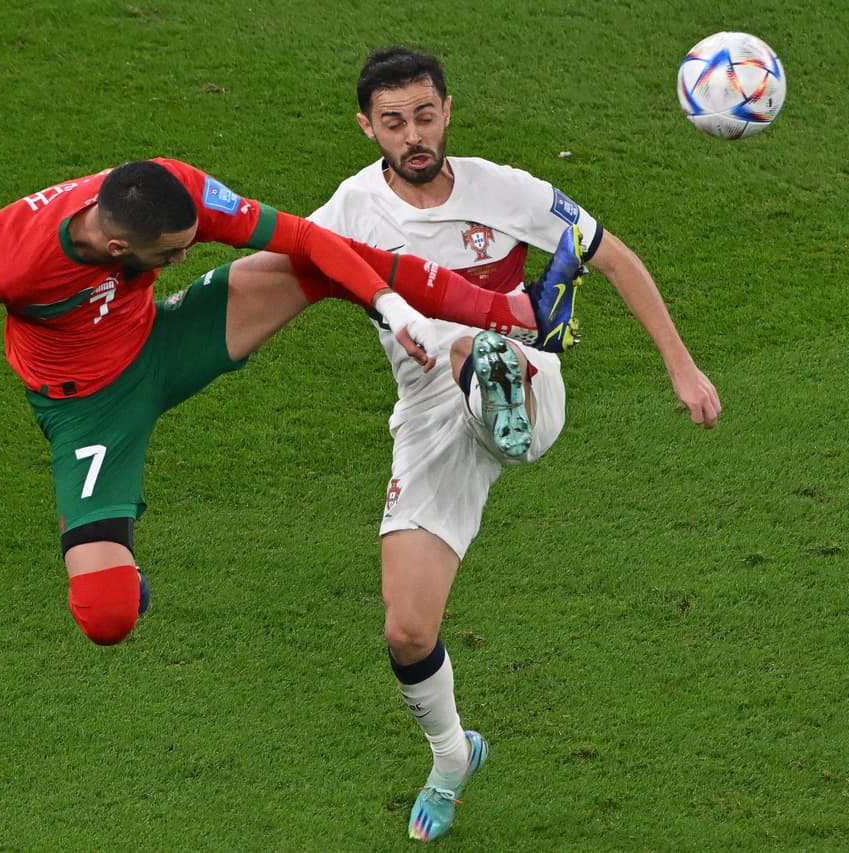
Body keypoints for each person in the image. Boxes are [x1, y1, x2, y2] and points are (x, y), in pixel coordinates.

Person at [0, 157, 576, 648]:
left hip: (164, 338)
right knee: (106, 615)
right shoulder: (17, 258)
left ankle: (514, 309)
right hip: (89, 409)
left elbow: (306, 238)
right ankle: (102, 537)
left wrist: (395, 309)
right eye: (175, 253)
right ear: (120, 248)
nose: (190, 254)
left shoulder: (173, 191)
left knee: (312, 261)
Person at [307, 47, 723, 842]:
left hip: (523, 375)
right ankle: (453, 755)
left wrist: (683, 366)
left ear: (448, 111)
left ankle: (516, 350)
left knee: (479, 350)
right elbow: (283, 261)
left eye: (425, 115)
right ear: (368, 127)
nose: (413, 134)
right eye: (393, 122)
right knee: (406, 629)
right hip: (430, 413)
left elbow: (616, 254)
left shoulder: (504, 190)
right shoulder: (350, 211)